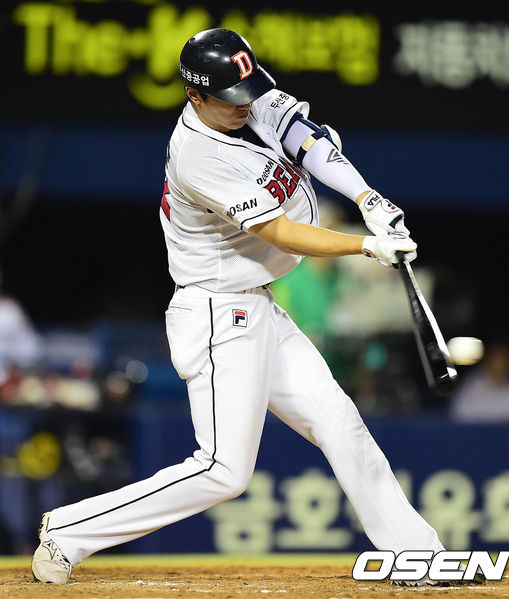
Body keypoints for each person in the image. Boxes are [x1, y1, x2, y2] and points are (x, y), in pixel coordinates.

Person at [32, 29, 474, 587]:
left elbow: (307, 140)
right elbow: (279, 231)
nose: (246, 104)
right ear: (195, 95)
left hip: (257, 305)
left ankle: (419, 556)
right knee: (224, 472)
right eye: (230, 98)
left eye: (247, 90)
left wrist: (367, 199)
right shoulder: (197, 155)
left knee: (341, 424)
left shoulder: (244, 95)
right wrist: (367, 246)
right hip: (217, 315)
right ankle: (69, 530)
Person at [450, 336, 509, 423]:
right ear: (488, 359)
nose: (501, 364)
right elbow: (459, 416)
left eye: (505, 359)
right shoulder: (471, 386)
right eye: (497, 358)